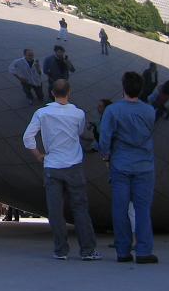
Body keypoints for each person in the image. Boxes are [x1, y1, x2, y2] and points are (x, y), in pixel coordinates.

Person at [22, 79, 101, 261]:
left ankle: (61, 250)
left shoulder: (42, 113)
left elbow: (28, 137)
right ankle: (87, 250)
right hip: (73, 164)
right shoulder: (78, 114)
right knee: (80, 207)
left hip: (52, 165)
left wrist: (38, 155)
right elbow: (80, 132)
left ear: (52, 93)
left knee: (55, 210)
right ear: (69, 92)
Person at [98, 71, 158, 264]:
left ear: (123, 87)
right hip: (144, 166)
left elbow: (105, 138)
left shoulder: (113, 111)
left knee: (120, 208)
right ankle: (143, 251)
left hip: (120, 164)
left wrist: (106, 155)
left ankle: (123, 251)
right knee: (142, 209)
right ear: (140, 90)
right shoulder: (150, 111)